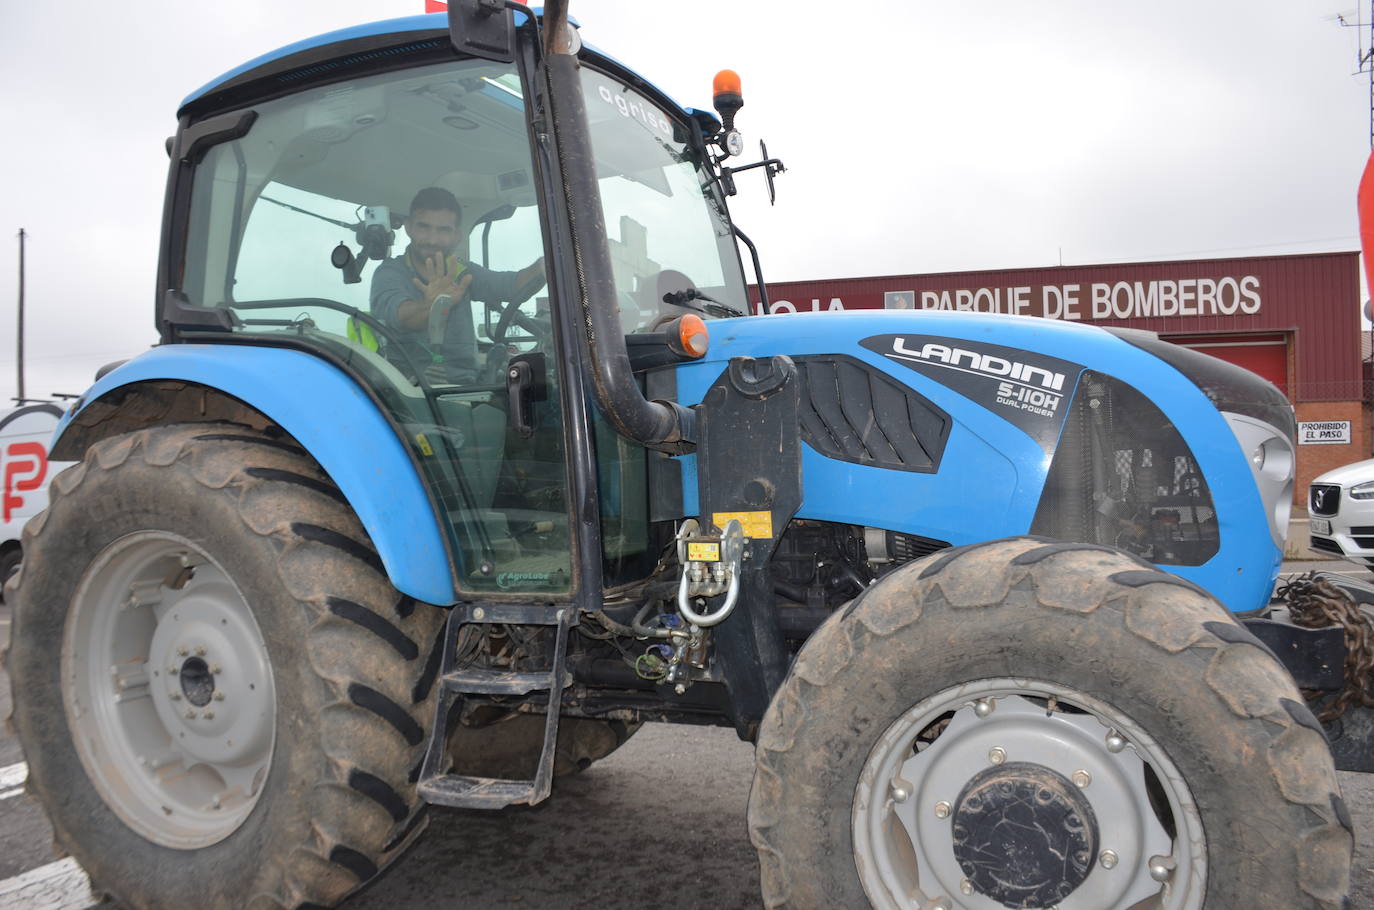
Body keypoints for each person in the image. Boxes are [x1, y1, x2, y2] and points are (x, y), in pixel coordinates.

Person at [370, 186, 545, 382]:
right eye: (424, 227)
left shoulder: (461, 271)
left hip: (468, 385)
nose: (433, 239)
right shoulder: (390, 272)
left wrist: (544, 266)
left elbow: (511, 286)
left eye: (443, 230)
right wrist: (433, 304)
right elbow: (401, 317)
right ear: (409, 227)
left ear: (456, 236)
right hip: (414, 391)